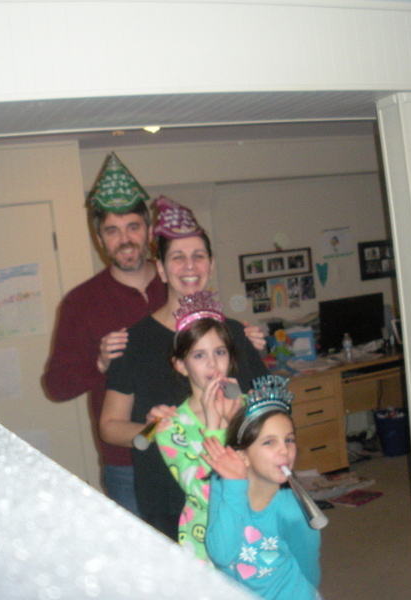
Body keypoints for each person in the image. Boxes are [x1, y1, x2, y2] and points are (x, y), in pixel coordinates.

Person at [100, 196, 268, 540]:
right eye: (177, 257)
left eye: (198, 256)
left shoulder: (236, 334)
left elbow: (266, 411)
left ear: (211, 264)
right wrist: (153, 429)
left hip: (237, 488)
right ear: (161, 269)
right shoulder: (134, 342)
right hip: (166, 493)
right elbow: (110, 426)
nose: (189, 265)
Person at [42, 152, 165, 515]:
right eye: (112, 230)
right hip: (127, 464)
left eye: (133, 227)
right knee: (141, 551)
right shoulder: (81, 302)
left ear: (149, 231)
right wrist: (98, 363)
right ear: (99, 239)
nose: (125, 239)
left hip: (190, 448)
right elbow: (56, 386)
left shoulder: (176, 284)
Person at [202, 375, 322, 600]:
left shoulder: (294, 510)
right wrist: (234, 485)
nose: (285, 450)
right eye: (269, 442)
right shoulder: (222, 482)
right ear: (243, 455)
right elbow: (221, 555)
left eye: (289, 440)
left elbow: (309, 569)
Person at [153, 291, 242, 561]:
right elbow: (204, 492)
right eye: (199, 355)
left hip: (255, 534)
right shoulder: (171, 428)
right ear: (181, 365)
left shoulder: (250, 407)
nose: (213, 363)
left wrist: (237, 420)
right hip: (207, 545)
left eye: (220, 352)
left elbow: (269, 474)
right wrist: (215, 426)